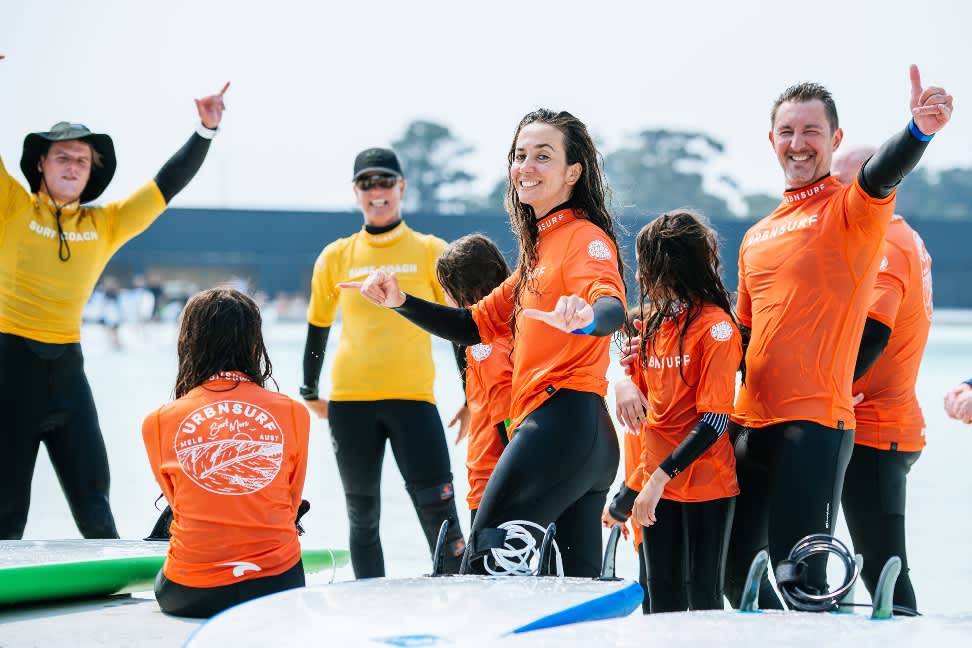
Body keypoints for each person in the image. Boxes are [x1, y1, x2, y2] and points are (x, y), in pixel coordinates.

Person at [345, 108, 626, 577]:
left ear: (573, 171)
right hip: (578, 436)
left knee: (482, 566)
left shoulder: (583, 238)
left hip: (561, 425)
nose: (526, 167)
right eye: (520, 156)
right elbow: (472, 325)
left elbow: (610, 304)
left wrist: (587, 317)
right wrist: (400, 301)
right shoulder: (539, 254)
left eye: (543, 156)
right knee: (573, 599)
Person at [725, 65, 953, 609]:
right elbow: (743, 338)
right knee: (737, 581)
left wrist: (918, 131)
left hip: (815, 427)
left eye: (812, 132)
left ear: (836, 140)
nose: (798, 144)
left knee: (802, 583)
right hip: (750, 424)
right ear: (772, 139)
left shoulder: (850, 212)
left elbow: (880, 175)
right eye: (788, 131)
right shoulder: (756, 236)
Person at [0, 53, 229, 540]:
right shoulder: (14, 206)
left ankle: (115, 604)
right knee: (6, 509)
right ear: (40, 164)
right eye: (62, 155)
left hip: (67, 372)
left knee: (95, 503)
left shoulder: (104, 224)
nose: (73, 165)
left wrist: (204, 130)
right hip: (8, 365)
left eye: (82, 159)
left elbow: (166, 186)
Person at [300, 147, 465, 578]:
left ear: (402, 188)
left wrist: (472, 393)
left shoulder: (432, 251)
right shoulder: (336, 255)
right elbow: (317, 328)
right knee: (363, 518)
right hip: (351, 403)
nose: (377, 192)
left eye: (385, 182)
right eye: (367, 183)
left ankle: (459, 602)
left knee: (441, 516)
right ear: (356, 192)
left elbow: (458, 326)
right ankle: (369, 609)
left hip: (414, 399)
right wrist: (309, 391)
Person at [142, 288, 309, 618]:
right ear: (253, 344)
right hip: (278, 587)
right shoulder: (293, 412)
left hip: (190, 594)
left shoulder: (159, 421)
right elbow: (290, 503)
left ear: (190, 343)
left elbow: (180, 505)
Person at [620, 211, 741, 613]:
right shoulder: (651, 328)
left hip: (705, 485)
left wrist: (656, 480)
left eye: (646, 266)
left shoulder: (717, 328)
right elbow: (644, 401)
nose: (639, 277)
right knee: (659, 602)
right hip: (656, 483)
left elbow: (715, 421)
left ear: (670, 267)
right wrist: (622, 384)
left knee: (703, 603)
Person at [832, 146, 932, 615]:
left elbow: (875, 330)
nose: (830, 193)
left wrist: (828, 386)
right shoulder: (901, 235)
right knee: (882, 567)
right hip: (889, 423)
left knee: (886, 569)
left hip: (876, 427)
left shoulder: (886, 242)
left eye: (839, 182)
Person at [434, 234, 513, 527]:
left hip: (493, 485)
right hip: (499, 483)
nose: (443, 299)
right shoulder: (509, 330)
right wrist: (469, 403)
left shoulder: (486, 348)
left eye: (446, 289)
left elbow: (508, 422)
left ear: (463, 290)